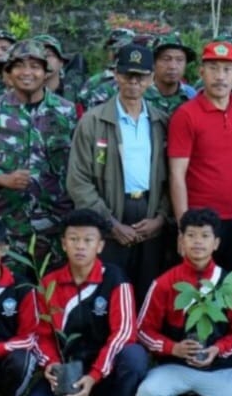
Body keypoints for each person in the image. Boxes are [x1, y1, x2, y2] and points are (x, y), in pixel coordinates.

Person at [20, 209, 148, 396]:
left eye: (88, 240)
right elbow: (41, 334)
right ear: (63, 243)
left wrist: (94, 375)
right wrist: (50, 363)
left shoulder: (116, 279)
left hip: (107, 369)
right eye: (74, 239)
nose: (80, 246)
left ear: (99, 246)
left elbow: (124, 333)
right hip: (68, 369)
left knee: (134, 355)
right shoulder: (48, 283)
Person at [66, 43, 170, 303]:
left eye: (141, 76)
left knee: (148, 289)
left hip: (148, 211)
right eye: (127, 75)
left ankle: (144, 342)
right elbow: (78, 179)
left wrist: (161, 217)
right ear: (116, 75)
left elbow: (172, 176)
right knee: (108, 291)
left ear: (151, 78)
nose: (133, 82)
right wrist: (109, 223)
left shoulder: (161, 121)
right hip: (109, 212)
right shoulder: (93, 120)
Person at [135, 208, 232, 396]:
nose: (198, 242)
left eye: (205, 236)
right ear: (181, 240)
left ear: (216, 243)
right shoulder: (165, 283)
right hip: (176, 366)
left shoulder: (229, 283)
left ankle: (230, 380)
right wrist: (173, 348)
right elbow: (143, 329)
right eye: (191, 235)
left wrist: (218, 349)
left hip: (217, 368)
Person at [168, 41, 232, 278]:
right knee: (199, 291)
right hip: (200, 221)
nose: (220, 76)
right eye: (213, 68)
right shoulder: (186, 115)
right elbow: (177, 174)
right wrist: (183, 227)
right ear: (201, 72)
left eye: (227, 69)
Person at [0, 40, 76, 263]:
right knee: (9, 293)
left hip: (55, 226)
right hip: (6, 226)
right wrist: (0, 178)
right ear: (8, 72)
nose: (27, 72)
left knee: (53, 292)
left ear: (45, 72)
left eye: (35, 66)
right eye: (19, 65)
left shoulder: (66, 111)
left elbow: (80, 164)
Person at [0, 217, 37, 396]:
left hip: (4, 361)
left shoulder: (21, 287)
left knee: (22, 359)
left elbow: (30, 337)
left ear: (3, 249)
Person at [144, 33, 196, 115]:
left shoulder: (191, 96)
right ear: (153, 63)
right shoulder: (141, 95)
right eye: (166, 59)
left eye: (179, 60)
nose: (173, 66)